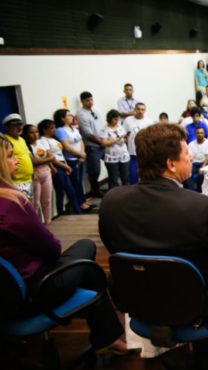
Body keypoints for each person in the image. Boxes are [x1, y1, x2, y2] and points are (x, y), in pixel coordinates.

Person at [98, 123, 208, 370]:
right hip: (194, 306)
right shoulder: (198, 206)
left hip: (139, 300)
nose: (192, 157)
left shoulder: (111, 201)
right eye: (187, 154)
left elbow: (114, 249)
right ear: (171, 164)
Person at [0, 135, 127, 355]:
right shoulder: (11, 204)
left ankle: (106, 334)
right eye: (10, 157)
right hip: (31, 291)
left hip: (5, 294)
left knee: (84, 269)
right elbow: (52, 249)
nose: (17, 161)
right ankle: (108, 332)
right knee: (87, 255)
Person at [54, 109, 91, 211]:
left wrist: (82, 154)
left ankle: (82, 200)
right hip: (71, 159)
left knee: (80, 181)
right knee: (76, 182)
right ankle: (79, 203)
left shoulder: (73, 128)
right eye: (69, 115)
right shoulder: (60, 130)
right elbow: (66, 147)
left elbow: (81, 141)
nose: (71, 117)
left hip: (79, 158)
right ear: (62, 118)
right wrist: (80, 155)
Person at [76, 91, 107, 198]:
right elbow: (87, 133)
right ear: (82, 101)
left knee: (111, 163)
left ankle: (113, 186)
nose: (90, 102)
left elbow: (102, 126)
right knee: (94, 170)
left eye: (91, 99)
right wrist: (100, 142)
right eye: (87, 100)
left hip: (102, 142)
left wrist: (104, 140)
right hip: (92, 145)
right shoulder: (81, 114)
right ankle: (95, 191)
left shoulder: (95, 111)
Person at [22, 124, 54, 223]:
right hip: (35, 175)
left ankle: (48, 222)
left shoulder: (42, 142)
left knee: (47, 201)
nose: (35, 135)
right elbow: (34, 162)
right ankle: (37, 225)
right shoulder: (26, 146)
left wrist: (51, 166)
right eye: (31, 133)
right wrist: (48, 159)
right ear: (26, 134)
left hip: (46, 173)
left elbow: (51, 155)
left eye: (36, 132)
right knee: (35, 203)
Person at [1, 114, 34, 199]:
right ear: (7, 127)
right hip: (16, 182)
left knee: (29, 206)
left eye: (20, 124)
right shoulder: (5, 141)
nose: (19, 128)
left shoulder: (22, 140)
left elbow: (29, 157)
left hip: (28, 180)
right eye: (15, 125)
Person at [122, 102, 154, 184]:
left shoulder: (149, 122)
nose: (140, 111)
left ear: (145, 110)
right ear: (135, 109)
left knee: (146, 174)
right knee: (133, 175)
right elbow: (124, 134)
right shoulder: (128, 120)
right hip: (132, 153)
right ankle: (134, 191)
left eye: (142, 109)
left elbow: (152, 137)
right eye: (138, 109)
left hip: (145, 153)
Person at [187, 127, 208, 191]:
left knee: (202, 173)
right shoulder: (191, 144)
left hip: (205, 162)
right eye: (198, 133)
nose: (200, 134)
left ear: (204, 134)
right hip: (194, 163)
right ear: (195, 134)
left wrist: (202, 167)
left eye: (201, 133)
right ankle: (192, 190)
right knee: (187, 173)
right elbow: (190, 157)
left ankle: (201, 190)